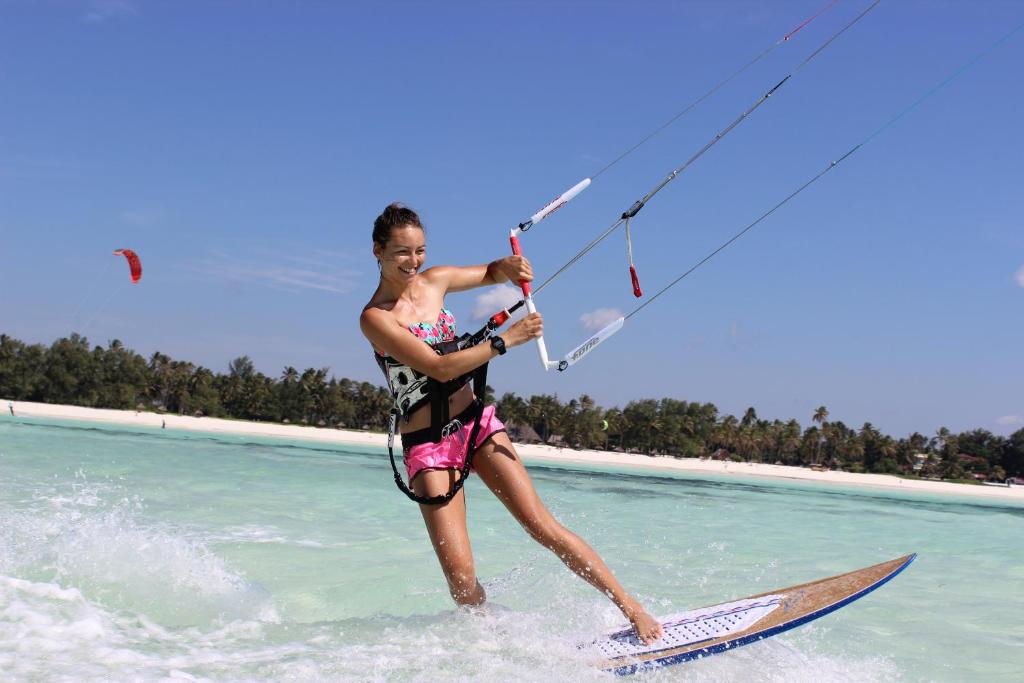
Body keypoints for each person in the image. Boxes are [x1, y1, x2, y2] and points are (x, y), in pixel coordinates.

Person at [360, 203, 662, 644]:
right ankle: (496, 638)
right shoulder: (375, 318)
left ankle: (632, 608)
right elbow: (439, 368)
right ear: (378, 251)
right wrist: (506, 341)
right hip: (428, 445)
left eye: (420, 250)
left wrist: (508, 266)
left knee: (542, 526)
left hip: (475, 425)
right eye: (402, 252)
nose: (413, 261)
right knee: (461, 581)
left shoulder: (436, 281)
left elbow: (490, 273)